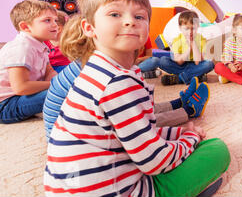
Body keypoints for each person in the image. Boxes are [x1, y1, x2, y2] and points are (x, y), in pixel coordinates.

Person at [44, 0, 230, 197]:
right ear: (89, 27)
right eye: (115, 14)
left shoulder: (96, 70)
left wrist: (180, 132)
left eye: (139, 16)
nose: (130, 21)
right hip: (114, 191)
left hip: (69, 188)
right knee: (218, 150)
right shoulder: (119, 83)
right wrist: (191, 139)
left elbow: (137, 131)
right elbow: (154, 161)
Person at [42, 16, 210, 141]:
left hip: (66, 128)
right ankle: (188, 110)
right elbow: (138, 118)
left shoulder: (90, 64)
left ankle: (177, 103)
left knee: (137, 107)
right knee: (140, 120)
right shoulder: (99, 73)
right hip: (75, 134)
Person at [0, 0, 58, 124]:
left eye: (55, 20)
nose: (55, 25)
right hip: (6, 104)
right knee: (62, 91)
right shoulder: (21, 47)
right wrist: (56, 85)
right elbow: (20, 87)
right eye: (47, 20)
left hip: (22, 96)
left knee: (65, 78)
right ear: (25, 26)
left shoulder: (40, 45)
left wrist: (57, 80)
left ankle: (42, 107)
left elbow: (50, 70)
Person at [159, 10, 214, 86]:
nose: (190, 32)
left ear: (198, 27)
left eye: (193, 28)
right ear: (180, 28)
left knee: (209, 64)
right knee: (163, 61)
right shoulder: (177, 40)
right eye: (187, 29)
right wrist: (189, 49)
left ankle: (179, 78)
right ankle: (195, 76)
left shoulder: (201, 39)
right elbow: (179, 62)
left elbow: (197, 62)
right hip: (180, 66)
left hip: (194, 65)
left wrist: (193, 43)